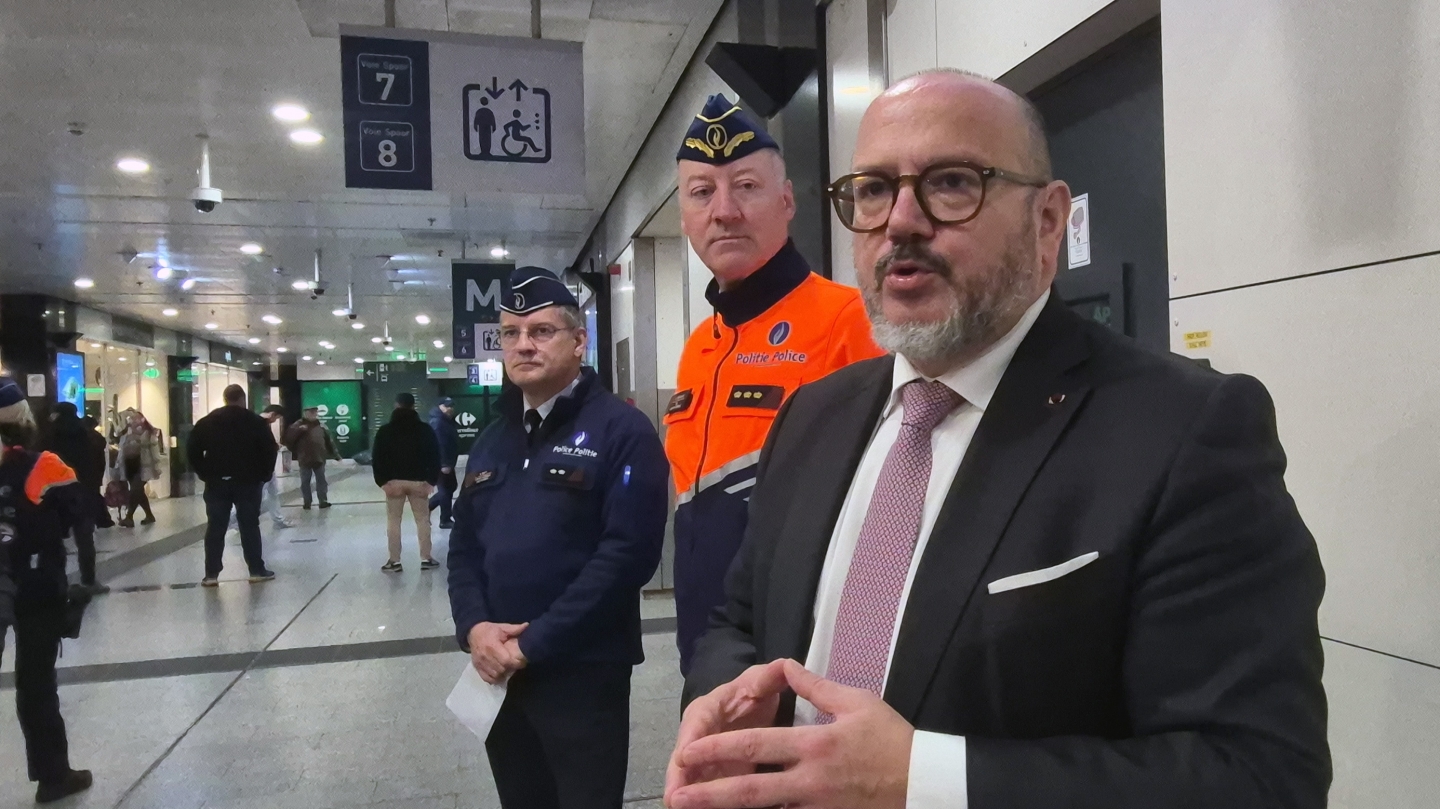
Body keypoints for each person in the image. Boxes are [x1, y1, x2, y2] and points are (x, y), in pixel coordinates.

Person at [667, 71, 1329, 809]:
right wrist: (722, 700)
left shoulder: (1184, 431)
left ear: (1048, 221)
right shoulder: (813, 416)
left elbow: (1259, 776)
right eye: (875, 190)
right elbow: (741, 618)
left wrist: (923, 780)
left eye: (952, 183)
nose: (901, 223)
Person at [667, 93, 884, 672]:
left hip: (803, 647)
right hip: (707, 642)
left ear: (787, 201)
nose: (725, 210)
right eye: (702, 192)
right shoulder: (699, 346)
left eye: (747, 186)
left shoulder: (850, 320)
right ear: (684, 218)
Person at [448, 266, 669, 809]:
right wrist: (475, 629)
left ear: (578, 341)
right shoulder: (494, 439)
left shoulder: (621, 430)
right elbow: (464, 549)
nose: (524, 345)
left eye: (541, 331)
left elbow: (626, 557)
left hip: (583, 674)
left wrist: (532, 643)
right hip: (499, 675)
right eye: (511, 334)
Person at [0, 380, 95, 803]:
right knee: (36, 684)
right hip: (35, 586)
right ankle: (53, 776)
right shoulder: (44, 465)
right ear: (25, 419)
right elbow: (76, 511)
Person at [188, 384, 277, 586]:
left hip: (217, 482)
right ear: (243, 399)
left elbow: (192, 451)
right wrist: (264, 475)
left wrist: (205, 473)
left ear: (225, 398)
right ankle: (256, 569)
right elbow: (269, 450)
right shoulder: (255, 422)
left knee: (216, 527)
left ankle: (211, 574)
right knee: (249, 525)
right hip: (247, 482)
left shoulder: (207, 422)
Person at [41, 403, 107, 594]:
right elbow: (97, 464)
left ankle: (54, 582)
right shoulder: (88, 436)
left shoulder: (48, 437)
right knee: (85, 540)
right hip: (83, 494)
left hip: (55, 495)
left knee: (52, 541)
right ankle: (89, 580)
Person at [371, 392, 440, 572]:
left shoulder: (385, 431)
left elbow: (377, 458)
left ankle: (394, 561)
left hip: (394, 484)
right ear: (413, 406)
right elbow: (435, 455)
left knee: (394, 521)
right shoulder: (424, 429)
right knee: (423, 520)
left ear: (396, 405)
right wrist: (431, 481)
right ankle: (426, 558)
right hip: (419, 483)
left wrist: (382, 482)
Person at [113, 410, 162, 527]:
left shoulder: (148, 434)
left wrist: (157, 467)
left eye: (136, 419)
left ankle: (129, 517)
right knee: (138, 492)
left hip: (143, 468)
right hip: (130, 467)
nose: (134, 421)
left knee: (135, 490)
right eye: (131, 419)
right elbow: (121, 451)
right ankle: (149, 515)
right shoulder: (126, 434)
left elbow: (155, 452)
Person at [284, 406, 339, 510]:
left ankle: (323, 501)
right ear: (305, 413)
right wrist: (300, 431)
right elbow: (289, 439)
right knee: (305, 481)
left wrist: (336, 455)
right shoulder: (297, 426)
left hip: (319, 458)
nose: (313, 414)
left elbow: (329, 442)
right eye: (310, 412)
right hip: (305, 459)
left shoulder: (322, 426)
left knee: (321, 481)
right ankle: (307, 501)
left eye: (314, 412)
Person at [258, 406, 297, 529]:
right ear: (273, 414)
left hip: (268, 466)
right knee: (257, 496)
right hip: (261, 467)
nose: (276, 421)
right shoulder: (258, 423)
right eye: (277, 418)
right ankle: (232, 520)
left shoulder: (263, 424)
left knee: (273, 493)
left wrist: (274, 446)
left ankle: (278, 519)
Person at [427, 397, 460, 529]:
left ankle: (430, 508)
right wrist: (444, 463)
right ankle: (444, 519)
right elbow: (440, 445)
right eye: (447, 406)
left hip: (447, 461)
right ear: (440, 406)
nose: (450, 408)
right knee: (445, 490)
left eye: (451, 406)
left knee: (451, 486)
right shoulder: (438, 422)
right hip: (441, 463)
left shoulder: (446, 421)